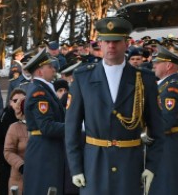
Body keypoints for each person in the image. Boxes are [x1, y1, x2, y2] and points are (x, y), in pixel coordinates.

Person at [65, 17, 164, 194]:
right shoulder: (82, 78)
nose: (111, 46)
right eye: (106, 41)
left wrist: (151, 166)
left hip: (130, 165)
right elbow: (71, 127)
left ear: (126, 44)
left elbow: (157, 128)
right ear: (100, 45)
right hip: (94, 164)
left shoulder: (144, 79)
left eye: (116, 41)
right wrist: (75, 167)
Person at [22, 48, 66, 194]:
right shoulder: (39, 92)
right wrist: (74, 127)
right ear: (40, 71)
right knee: (44, 189)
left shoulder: (44, 88)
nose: (53, 69)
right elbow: (46, 126)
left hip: (48, 149)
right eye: (49, 66)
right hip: (44, 150)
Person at [150, 45, 178, 195]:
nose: (154, 65)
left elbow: (167, 119)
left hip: (169, 141)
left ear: (168, 65)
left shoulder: (172, 88)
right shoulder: (164, 85)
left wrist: (146, 131)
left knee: (168, 185)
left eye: (158, 63)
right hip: (164, 140)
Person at [0, 88, 23, 195]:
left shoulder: (29, 117)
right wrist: (9, 160)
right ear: (10, 102)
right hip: (6, 164)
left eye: (22, 100)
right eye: (15, 100)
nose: (18, 103)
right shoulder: (4, 117)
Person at [3, 89, 28, 194]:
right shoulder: (14, 128)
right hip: (19, 178)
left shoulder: (42, 126)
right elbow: (8, 151)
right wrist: (21, 165)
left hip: (39, 176)